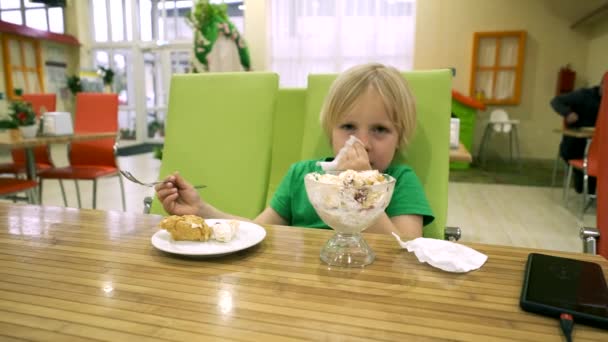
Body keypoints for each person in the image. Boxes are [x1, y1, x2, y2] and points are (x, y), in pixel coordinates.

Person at [155, 63, 434, 238]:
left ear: (400, 137)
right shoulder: (302, 176)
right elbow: (257, 230)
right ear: (330, 131)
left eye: (380, 129)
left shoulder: (400, 182)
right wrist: (201, 209)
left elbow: (406, 251)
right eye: (348, 126)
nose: (362, 143)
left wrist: (361, 189)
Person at [550, 79, 603, 194]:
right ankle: (582, 177)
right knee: (586, 188)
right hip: (576, 143)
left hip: (598, 146)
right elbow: (556, 101)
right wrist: (567, 113)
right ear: (602, 86)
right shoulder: (583, 95)